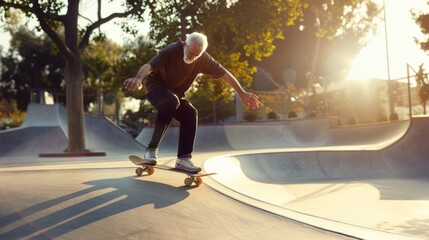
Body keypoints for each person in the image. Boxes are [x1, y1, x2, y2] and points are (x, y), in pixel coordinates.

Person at [124, 32, 260, 172]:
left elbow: (225, 74)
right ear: (185, 45)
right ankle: (151, 150)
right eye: (191, 52)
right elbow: (149, 66)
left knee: (190, 113)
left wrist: (242, 94)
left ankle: (183, 158)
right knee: (171, 100)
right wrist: (138, 79)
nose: (192, 57)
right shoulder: (172, 50)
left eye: (197, 55)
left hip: (175, 96)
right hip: (155, 88)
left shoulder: (203, 59)